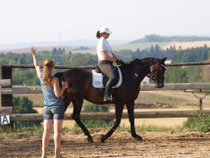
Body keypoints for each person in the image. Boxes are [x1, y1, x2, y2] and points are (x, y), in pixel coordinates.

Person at [31, 47, 68, 158]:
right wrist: (64, 87)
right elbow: (58, 94)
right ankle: (57, 154)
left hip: (46, 107)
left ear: (45, 67)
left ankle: (44, 154)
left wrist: (34, 55)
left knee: (46, 131)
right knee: (57, 132)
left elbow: (36, 66)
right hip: (57, 107)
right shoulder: (54, 80)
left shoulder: (41, 77)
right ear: (52, 68)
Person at [96, 27, 125, 101]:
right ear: (104, 33)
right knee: (113, 77)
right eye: (108, 33)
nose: (109, 34)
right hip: (103, 63)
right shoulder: (101, 42)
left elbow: (111, 53)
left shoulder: (106, 41)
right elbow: (104, 55)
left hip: (109, 62)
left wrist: (118, 60)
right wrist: (115, 60)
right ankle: (107, 95)